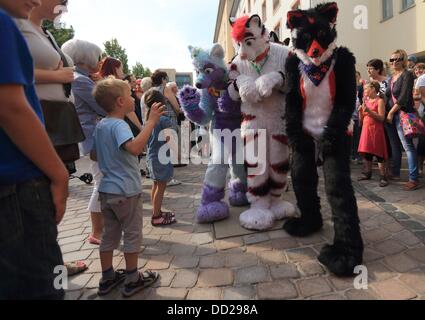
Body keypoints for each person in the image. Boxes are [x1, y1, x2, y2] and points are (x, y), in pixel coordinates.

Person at [0, 0, 68, 299]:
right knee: (48, 284)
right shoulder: (4, 24)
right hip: (20, 183)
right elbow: (10, 106)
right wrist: (58, 172)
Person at [92, 77, 162, 297]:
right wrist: (150, 122)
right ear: (121, 102)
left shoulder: (101, 125)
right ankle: (133, 278)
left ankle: (107, 276)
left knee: (109, 235)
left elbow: (94, 154)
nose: (134, 97)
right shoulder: (119, 124)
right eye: (130, 94)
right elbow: (134, 148)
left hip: (106, 190)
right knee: (132, 235)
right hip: (126, 191)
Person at [15, 0, 85, 175]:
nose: (64, 8)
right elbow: (8, 71)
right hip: (35, 119)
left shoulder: (45, 33)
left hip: (57, 121)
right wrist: (56, 76)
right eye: (62, 1)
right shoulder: (16, 24)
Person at [62, 39, 105, 245]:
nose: (99, 61)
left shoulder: (79, 78)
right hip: (94, 138)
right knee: (101, 182)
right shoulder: (81, 81)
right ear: (86, 58)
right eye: (97, 57)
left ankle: (101, 230)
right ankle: (98, 232)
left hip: (91, 137)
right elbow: (104, 108)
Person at [386, 50, 420, 191]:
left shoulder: (407, 74)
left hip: (402, 114)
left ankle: (413, 178)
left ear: (404, 60)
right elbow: (387, 96)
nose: (394, 62)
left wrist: (391, 112)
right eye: (392, 59)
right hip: (392, 115)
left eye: (398, 59)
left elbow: (404, 97)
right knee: (395, 146)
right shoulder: (391, 77)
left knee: (408, 147)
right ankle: (395, 173)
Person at [144, 90, 178, 227]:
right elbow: (170, 138)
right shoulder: (163, 119)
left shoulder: (149, 119)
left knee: (155, 184)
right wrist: (178, 153)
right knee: (161, 186)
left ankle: (156, 211)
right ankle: (156, 216)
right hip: (161, 158)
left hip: (152, 157)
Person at [150, 70, 182, 186]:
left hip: (154, 121)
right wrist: (178, 112)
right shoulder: (165, 89)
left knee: (158, 148)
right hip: (168, 118)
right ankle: (168, 177)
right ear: (163, 79)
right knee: (169, 148)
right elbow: (176, 107)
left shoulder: (151, 91)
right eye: (166, 78)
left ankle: (159, 176)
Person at [98, 58, 143, 135]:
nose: (123, 72)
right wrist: (141, 129)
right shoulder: (116, 86)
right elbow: (130, 112)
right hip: (123, 125)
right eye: (121, 69)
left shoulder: (101, 84)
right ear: (115, 69)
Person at [358, 81, 389, 187]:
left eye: (366, 89)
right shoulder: (365, 101)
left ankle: (383, 176)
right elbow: (361, 120)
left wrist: (369, 111)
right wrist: (360, 112)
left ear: (373, 89)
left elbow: (381, 117)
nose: (365, 91)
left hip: (376, 129)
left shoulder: (379, 101)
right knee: (367, 152)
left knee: (379, 152)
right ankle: (368, 173)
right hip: (366, 129)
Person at [414, 63, 425, 176]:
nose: (418, 71)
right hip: (420, 113)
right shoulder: (417, 81)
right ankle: (419, 168)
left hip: (420, 113)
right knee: (421, 142)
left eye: (420, 69)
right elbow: (419, 96)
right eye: (416, 70)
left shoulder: (421, 80)